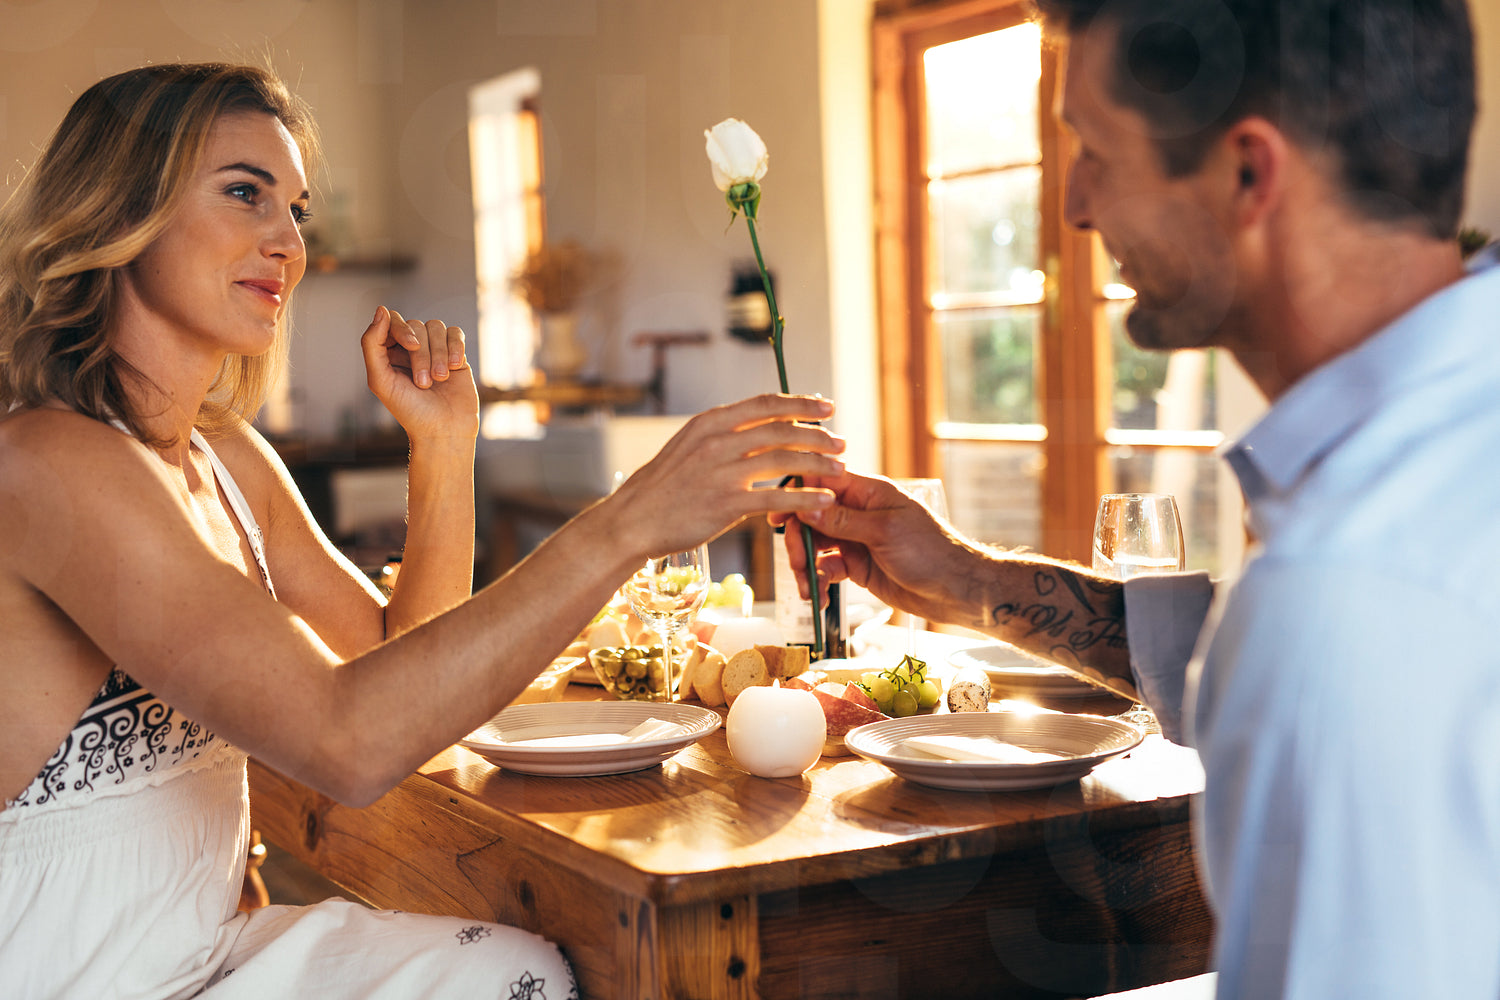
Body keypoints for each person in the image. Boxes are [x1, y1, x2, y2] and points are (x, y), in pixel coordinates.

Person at [0, 63, 846, 998]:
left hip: (209, 956)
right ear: (123, 208)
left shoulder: (223, 456)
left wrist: (443, 449)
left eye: (296, 210)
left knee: (526, 965)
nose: (287, 242)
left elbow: (404, 673)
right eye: (245, 193)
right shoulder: (51, 462)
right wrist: (627, 524)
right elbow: (348, 743)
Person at [783, 1, 1499, 997]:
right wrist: (969, 579)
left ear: (1249, 171)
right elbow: (1226, 669)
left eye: (1095, 148)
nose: (1074, 204)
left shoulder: (1352, 598)